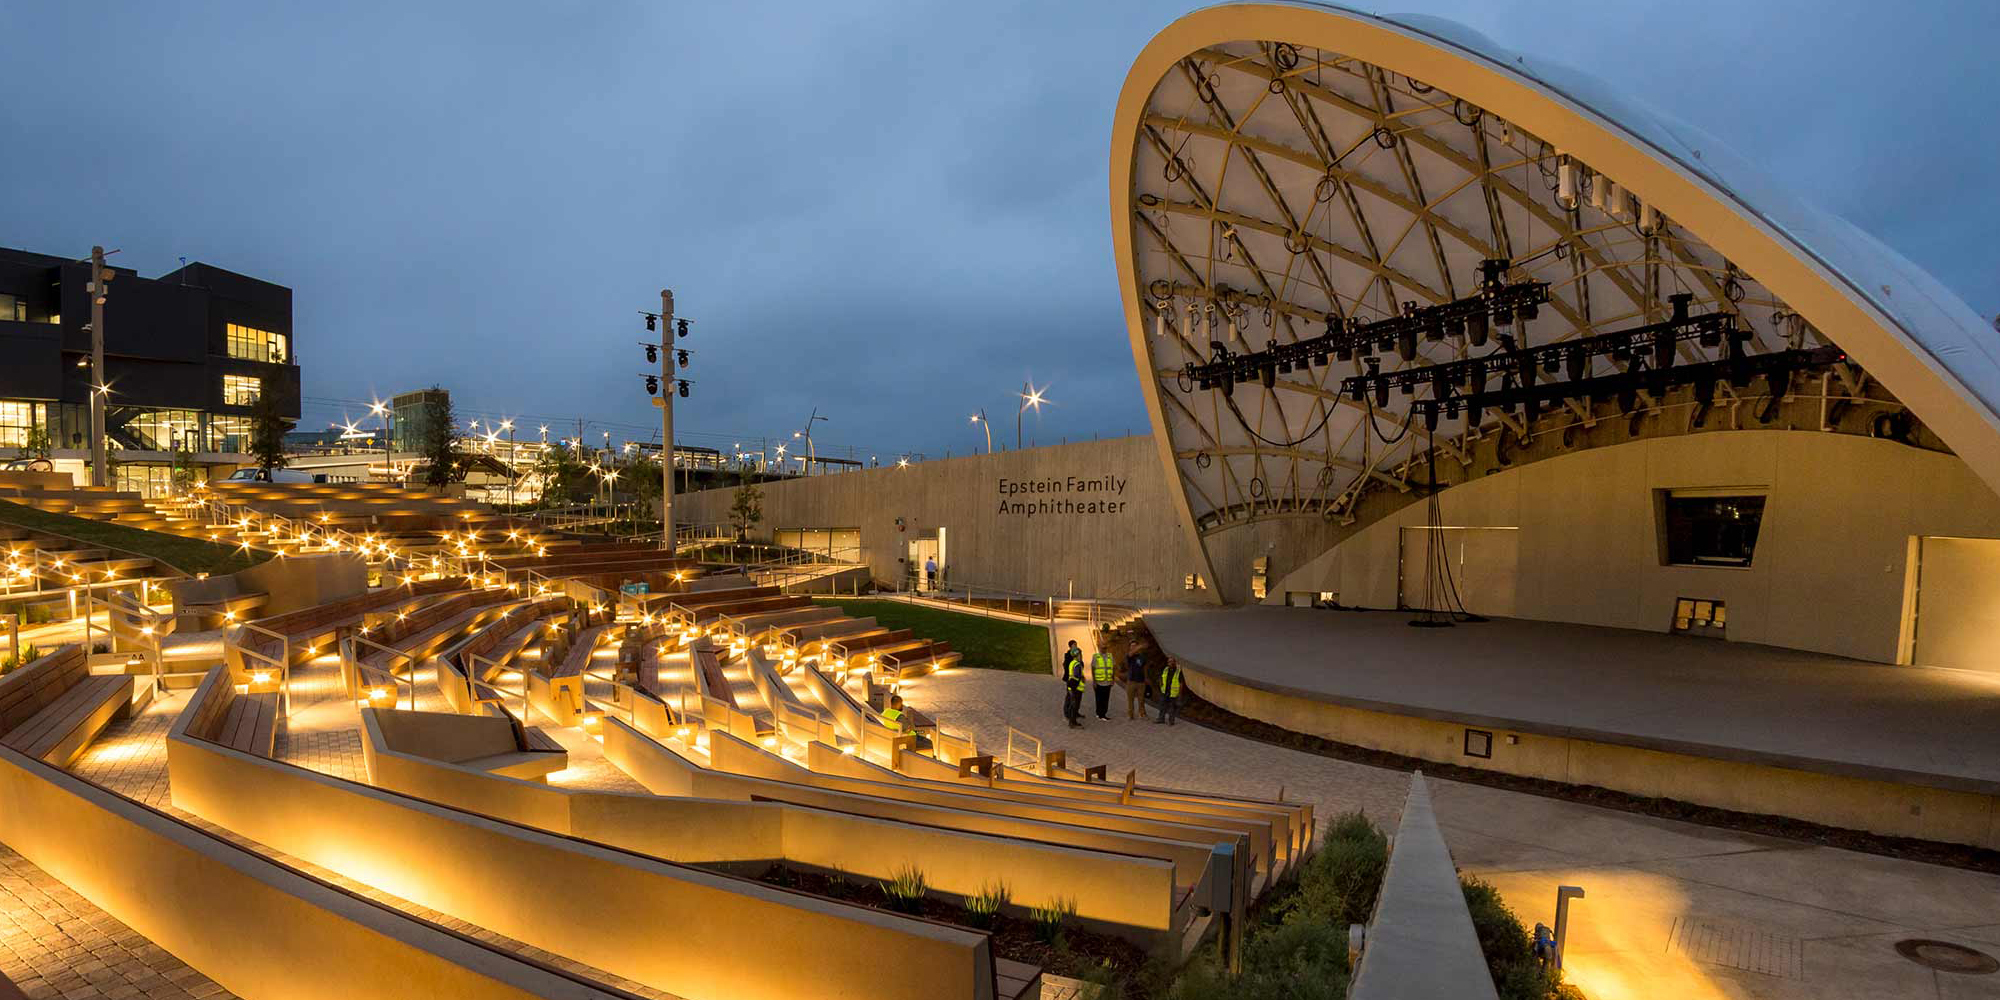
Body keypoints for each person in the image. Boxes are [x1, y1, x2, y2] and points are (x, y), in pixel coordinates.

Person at [1060, 639, 1086, 728]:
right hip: (1075, 686)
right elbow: (1075, 676)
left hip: (1074, 685)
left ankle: (1074, 715)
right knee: (1072, 701)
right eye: (1074, 645)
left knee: (1074, 703)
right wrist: (1080, 679)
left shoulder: (1076, 662)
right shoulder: (1073, 661)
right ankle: (1071, 718)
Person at [1155, 658, 1183, 725]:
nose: (1170, 663)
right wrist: (1161, 685)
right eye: (1169, 662)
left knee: (1172, 708)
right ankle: (1161, 719)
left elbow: (1181, 683)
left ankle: (1171, 721)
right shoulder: (1165, 669)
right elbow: (1161, 677)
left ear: (1174, 662)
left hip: (1173, 693)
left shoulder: (1178, 672)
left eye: (1171, 662)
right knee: (1162, 706)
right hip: (1164, 691)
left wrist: (1179, 693)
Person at [1124, 648, 1148, 720]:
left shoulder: (1142, 657)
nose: (1133, 647)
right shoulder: (1129, 656)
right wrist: (1140, 646)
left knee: (1141, 699)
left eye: (1135, 645)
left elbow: (1145, 668)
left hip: (1141, 681)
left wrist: (1146, 678)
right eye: (1132, 646)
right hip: (1131, 681)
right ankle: (1130, 715)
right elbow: (1130, 654)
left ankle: (1142, 714)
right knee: (1130, 699)